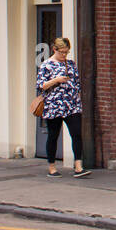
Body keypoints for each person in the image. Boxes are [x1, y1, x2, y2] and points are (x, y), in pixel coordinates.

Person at [35, 37, 89, 178]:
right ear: (54, 49)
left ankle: (78, 166)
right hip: (54, 105)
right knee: (53, 135)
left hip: (71, 104)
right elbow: (41, 85)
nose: (64, 55)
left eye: (66, 52)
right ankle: (52, 167)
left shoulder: (70, 64)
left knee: (76, 134)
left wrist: (77, 95)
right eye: (62, 52)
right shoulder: (46, 65)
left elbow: (77, 82)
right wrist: (56, 80)